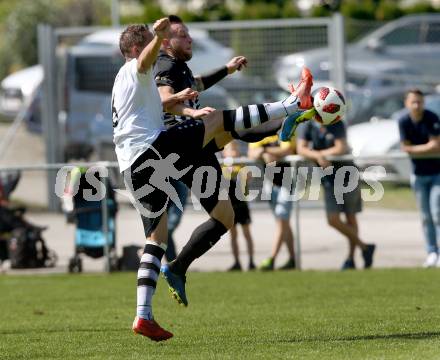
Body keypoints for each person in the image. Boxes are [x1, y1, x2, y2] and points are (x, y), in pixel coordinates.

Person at [111, 19, 313, 341]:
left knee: (163, 236)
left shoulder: (130, 79)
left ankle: (143, 315)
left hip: (132, 165)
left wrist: (189, 107)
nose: (164, 43)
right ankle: (288, 108)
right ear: (138, 48)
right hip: (154, 148)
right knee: (219, 120)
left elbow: (162, 99)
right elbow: (150, 65)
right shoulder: (144, 66)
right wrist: (160, 37)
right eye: (157, 40)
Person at [153, 15, 249, 263]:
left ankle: (175, 268)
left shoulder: (179, 66)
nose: (189, 38)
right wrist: (190, 110)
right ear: (166, 42)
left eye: (188, 33)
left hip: (193, 147)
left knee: (224, 217)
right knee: (230, 122)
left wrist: (227, 70)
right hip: (182, 148)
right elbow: (162, 99)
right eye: (182, 35)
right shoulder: (166, 66)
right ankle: (291, 110)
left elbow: (199, 83)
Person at [296, 120, 376, 270]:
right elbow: (301, 149)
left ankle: (351, 259)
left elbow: (340, 147)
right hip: (328, 179)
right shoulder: (308, 124)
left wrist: (320, 154)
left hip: (347, 175)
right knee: (332, 219)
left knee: (350, 216)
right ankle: (364, 247)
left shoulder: (337, 122)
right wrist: (318, 156)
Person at [398, 88, 440, 268]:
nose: (417, 105)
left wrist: (414, 149)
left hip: (437, 173)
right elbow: (404, 147)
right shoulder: (403, 121)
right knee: (425, 216)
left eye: (420, 102)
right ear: (407, 103)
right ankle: (431, 252)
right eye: (413, 102)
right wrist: (426, 147)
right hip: (418, 174)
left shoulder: (432, 118)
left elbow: (436, 146)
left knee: (437, 212)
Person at [248, 135, 296, 270]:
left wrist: (264, 152)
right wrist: (266, 153)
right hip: (271, 183)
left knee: (282, 220)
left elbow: (287, 150)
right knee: (283, 223)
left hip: (287, 180)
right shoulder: (261, 131)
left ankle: (272, 258)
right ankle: (292, 260)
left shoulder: (286, 128)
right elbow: (251, 153)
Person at [222, 141, 255, 271]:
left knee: (247, 233)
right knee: (233, 234)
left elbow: (249, 178)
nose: (233, 152)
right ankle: (237, 262)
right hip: (230, 205)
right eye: (229, 150)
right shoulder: (222, 165)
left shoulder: (241, 164)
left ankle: (251, 261)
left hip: (241, 204)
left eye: (234, 149)